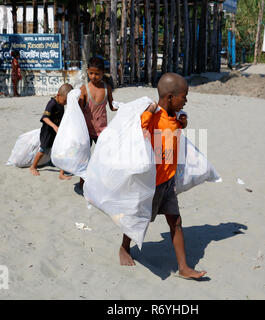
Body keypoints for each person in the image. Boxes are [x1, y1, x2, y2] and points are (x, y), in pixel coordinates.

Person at [119, 73, 207, 280]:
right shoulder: (153, 116)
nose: (186, 100)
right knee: (138, 218)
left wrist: (182, 122)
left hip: (168, 182)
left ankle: (184, 267)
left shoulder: (172, 117)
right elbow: (140, 130)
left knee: (175, 222)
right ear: (169, 97)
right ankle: (124, 247)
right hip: (152, 184)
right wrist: (149, 112)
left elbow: (173, 133)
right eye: (183, 97)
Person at [30, 83, 73, 180]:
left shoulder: (61, 104)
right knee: (43, 150)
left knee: (62, 150)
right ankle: (33, 166)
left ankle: (61, 174)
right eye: (65, 100)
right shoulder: (52, 103)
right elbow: (45, 118)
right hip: (47, 132)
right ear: (58, 96)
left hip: (57, 132)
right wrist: (54, 126)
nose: (65, 103)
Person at [78, 56, 117, 146]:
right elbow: (78, 111)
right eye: (91, 73)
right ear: (87, 71)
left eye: (97, 74)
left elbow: (112, 106)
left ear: (103, 73)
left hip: (102, 130)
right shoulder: (84, 89)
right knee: (85, 155)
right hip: (86, 130)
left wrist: (125, 108)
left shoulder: (107, 88)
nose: (93, 76)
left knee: (103, 154)